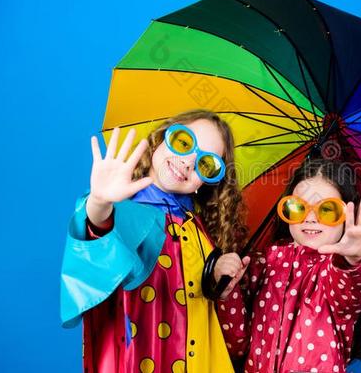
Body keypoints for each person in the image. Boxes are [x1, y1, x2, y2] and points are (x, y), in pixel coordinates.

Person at [60, 109, 247, 373]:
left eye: (207, 164)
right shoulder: (123, 212)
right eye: (184, 142)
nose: (188, 162)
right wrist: (100, 204)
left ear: (206, 183)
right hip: (137, 359)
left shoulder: (200, 232)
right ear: (161, 139)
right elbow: (97, 236)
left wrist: (218, 281)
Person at [217, 159, 361, 373]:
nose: (310, 218)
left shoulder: (336, 271)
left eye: (327, 210)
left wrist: (353, 261)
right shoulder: (263, 265)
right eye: (298, 207)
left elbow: (350, 290)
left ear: (347, 216)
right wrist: (228, 293)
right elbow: (236, 347)